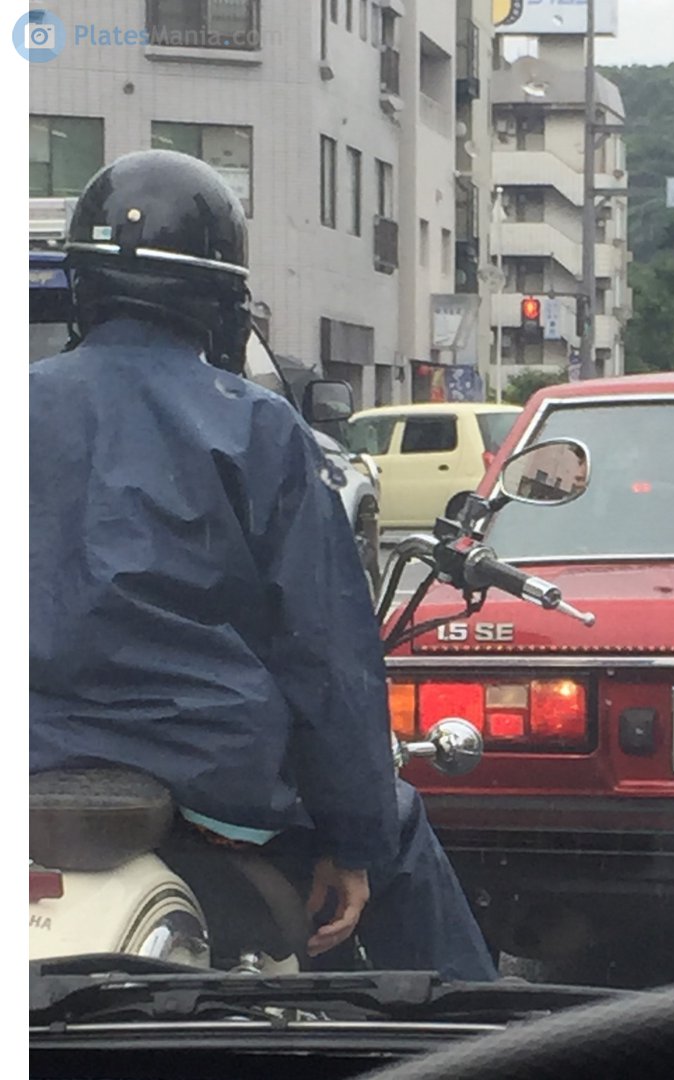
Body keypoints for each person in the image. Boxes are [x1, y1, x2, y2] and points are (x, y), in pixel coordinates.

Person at [29, 150, 497, 981]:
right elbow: (325, 654)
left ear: (81, 284)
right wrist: (354, 838)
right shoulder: (258, 428)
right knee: (399, 835)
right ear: (220, 298)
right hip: (210, 781)